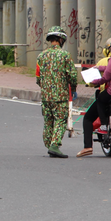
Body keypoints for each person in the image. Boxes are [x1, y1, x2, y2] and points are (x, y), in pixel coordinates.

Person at [36, 26, 78, 158]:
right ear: (61, 39)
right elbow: (72, 75)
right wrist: (74, 88)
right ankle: (55, 145)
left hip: (46, 96)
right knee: (60, 120)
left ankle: (49, 144)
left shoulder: (41, 56)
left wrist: (46, 88)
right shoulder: (65, 55)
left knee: (48, 120)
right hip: (60, 96)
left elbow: (38, 78)